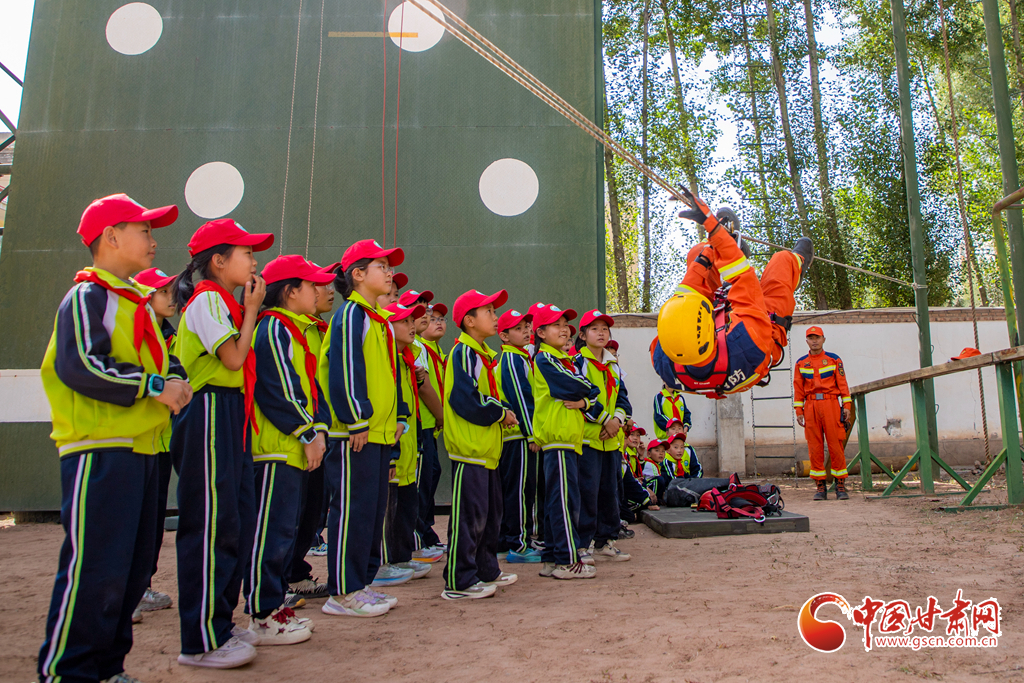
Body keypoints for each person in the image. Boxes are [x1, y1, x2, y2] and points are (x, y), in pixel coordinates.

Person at [38, 194, 190, 683]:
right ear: (110, 236)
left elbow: (162, 360)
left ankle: (107, 668)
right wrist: (156, 385)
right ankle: (68, 671)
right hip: (99, 449)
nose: (153, 240)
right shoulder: (89, 296)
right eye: (143, 230)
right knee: (95, 567)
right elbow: (81, 363)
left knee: (130, 571)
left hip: (140, 448)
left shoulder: (132, 304)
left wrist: (172, 379)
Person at [170, 218, 274, 668]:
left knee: (233, 519)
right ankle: (200, 640)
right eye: (246, 253)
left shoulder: (223, 302)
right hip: (209, 409)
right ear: (217, 261)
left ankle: (221, 625)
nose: (254, 261)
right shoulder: (208, 299)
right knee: (212, 523)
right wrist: (252, 311)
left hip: (230, 412)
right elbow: (232, 358)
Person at [244, 255, 333, 644]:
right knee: (271, 532)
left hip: (292, 448)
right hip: (275, 450)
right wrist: (308, 432)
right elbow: (276, 389)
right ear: (291, 291)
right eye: (311, 285)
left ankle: (275, 604)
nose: (319, 290)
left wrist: (318, 430)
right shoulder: (274, 328)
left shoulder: (295, 329)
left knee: (287, 530)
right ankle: (262, 614)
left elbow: (311, 389)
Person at [652, 193, 813, 397]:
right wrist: (715, 230)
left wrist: (709, 250)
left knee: (697, 253)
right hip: (758, 346)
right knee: (781, 264)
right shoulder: (748, 340)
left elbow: (686, 293)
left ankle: (720, 250)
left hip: (719, 355)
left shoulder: (662, 358)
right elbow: (743, 278)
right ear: (710, 327)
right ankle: (798, 262)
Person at [322, 239, 409, 618]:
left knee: (371, 512)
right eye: (382, 267)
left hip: (378, 433)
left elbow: (387, 375)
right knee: (352, 510)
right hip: (355, 433)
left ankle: (361, 582)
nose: (389, 274)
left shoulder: (377, 320)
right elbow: (345, 366)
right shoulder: (352, 316)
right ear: (358, 274)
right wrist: (356, 417)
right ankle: (343, 591)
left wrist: (396, 419)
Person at [441, 289, 520, 599]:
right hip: (469, 450)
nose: (495, 317)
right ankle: (458, 581)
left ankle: (486, 570)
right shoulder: (463, 353)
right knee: (469, 518)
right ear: (469, 321)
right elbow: (465, 398)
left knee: (489, 516)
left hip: (487, 451)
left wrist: (502, 410)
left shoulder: (482, 355)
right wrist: (501, 413)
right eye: (489, 312)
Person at [530, 304, 600, 580]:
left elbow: (583, 390)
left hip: (567, 440)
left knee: (556, 501)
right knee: (564, 502)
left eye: (565, 325)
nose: (564, 329)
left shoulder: (562, 359)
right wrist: (589, 392)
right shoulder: (546, 359)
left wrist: (585, 399)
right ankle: (567, 560)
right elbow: (579, 385)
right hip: (557, 440)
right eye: (556, 325)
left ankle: (551, 558)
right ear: (541, 332)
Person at [285, 261, 337, 604]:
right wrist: (307, 431)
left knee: (312, 507)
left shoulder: (319, 329)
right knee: (288, 512)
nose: (328, 291)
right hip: (292, 437)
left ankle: (294, 573)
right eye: (319, 284)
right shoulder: (281, 328)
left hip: (318, 432)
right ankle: (275, 584)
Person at [131, 266, 181, 620]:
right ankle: (125, 593)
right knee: (130, 520)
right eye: (163, 292)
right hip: (132, 443)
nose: (171, 297)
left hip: (161, 442)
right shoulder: (134, 334)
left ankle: (140, 585)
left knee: (152, 520)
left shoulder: (170, 338)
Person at [573, 310, 632, 562]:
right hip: (588, 439)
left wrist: (617, 420)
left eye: (605, 329)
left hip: (611, 441)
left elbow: (623, 399)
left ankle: (606, 541)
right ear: (582, 335)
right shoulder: (577, 363)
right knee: (587, 492)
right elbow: (580, 397)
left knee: (610, 493)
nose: (601, 333)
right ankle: (583, 544)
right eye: (594, 329)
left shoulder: (613, 365)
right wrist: (605, 420)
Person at [381, 301, 433, 579]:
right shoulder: (386, 357)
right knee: (388, 507)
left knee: (406, 503)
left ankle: (402, 556)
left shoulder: (407, 358)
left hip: (409, 444)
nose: (412, 326)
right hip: (391, 443)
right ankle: (384, 562)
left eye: (412, 321)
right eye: (404, 321)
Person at [496, 309, 542, 563]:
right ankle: (518, 544)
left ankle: (507, 541)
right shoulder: (513, 359)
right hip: (518, 436)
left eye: (526, 326)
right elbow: (520, 398)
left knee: (516, 488)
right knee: (520, 489)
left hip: (517, 435)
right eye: (518, 328)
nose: (525, 331)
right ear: (504, 336)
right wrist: (531, 434)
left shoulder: (520, 357)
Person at [794, 326, 852, 501]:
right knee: (815, 447)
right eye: (811, 338)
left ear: (823, 339)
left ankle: (840, 485)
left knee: (836, 445)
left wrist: (847, 405)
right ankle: (820, 487)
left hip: (831, 404)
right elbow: (798, 389)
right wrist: (799, 410)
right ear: (806, 341)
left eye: (817, 337)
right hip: (810, 406)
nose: (814, 341)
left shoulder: (834, 360)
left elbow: (843, 384)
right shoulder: (801, 363)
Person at [414, 301, 449, 559]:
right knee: (420, 482)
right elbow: (424, 387)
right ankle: (419, 537)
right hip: (421, 422)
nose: (433, 320)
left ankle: (426, 533)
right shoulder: (417, 346)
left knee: (431, 475)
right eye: (427, 315)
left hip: (430, 424)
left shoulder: (435, 350)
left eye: (439, 317)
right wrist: (440, 415)